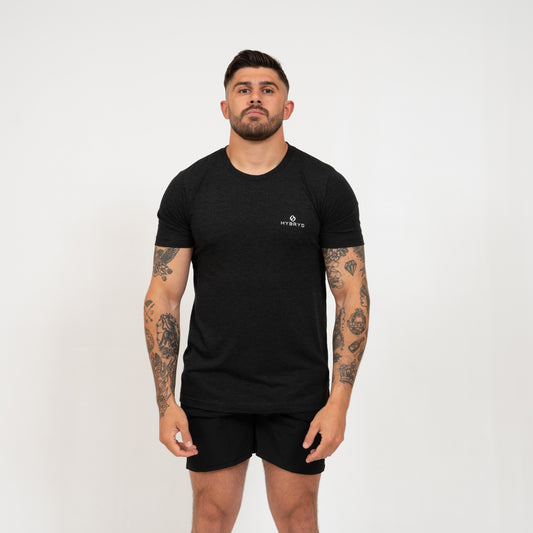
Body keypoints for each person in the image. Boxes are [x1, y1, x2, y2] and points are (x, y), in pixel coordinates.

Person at [143, 49, 370, 533]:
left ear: (288, 107)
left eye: (268, 90)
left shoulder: (324, 186)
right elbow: (163, 296)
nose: (255, 98)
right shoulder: (190, 188)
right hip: (212, 388)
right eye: (243, 89)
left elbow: (352, 296)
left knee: (297, 518)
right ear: (224, 106)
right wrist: (166, 403)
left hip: (297, 390)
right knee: (211, 516)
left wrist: (339, 402)